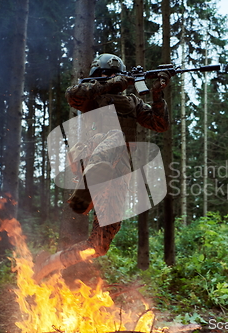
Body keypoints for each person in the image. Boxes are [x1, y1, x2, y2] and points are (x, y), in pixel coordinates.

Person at [33, 54, 170, 282]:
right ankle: (88, 186)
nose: (110, 78)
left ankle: (49, 264)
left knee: (99, 244)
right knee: (116, 134)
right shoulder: (90, 96)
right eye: (105, 75)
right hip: (87, 156)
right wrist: (116, 81)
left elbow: (160, 124)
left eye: (112, 75)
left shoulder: (132, 102)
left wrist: (157, 94)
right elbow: (73, 94)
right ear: (99, 76)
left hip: (118, 172)